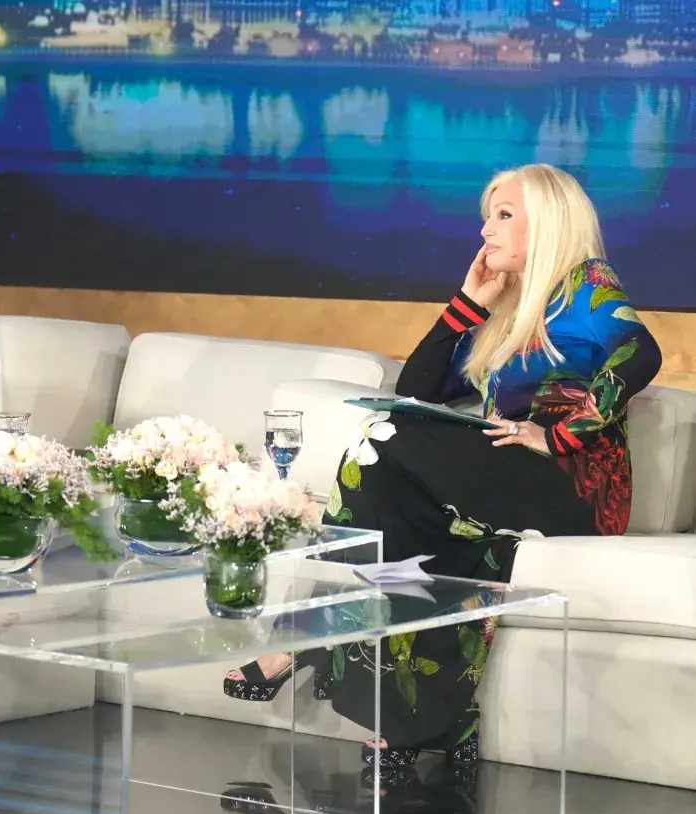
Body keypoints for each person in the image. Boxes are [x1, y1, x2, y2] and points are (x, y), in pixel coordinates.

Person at [223, 163, 662, 768]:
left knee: (382, 438)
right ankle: (421, 720)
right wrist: (467, 305)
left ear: (548, 221)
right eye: (486, 217)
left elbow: (641, 353)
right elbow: (416, 391)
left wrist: (561, 435)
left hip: (574, 489)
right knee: (387, 484)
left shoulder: (586, 283)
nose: (485, 230)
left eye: (503, 215)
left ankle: (308, 632)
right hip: (507, 474)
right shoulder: (509, 306)